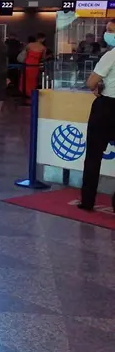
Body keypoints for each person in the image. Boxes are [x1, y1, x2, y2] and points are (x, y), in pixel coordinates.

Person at [79, 20, 115, 211]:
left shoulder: (111, 55)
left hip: (107, 107)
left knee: (93, 155)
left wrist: (97, 86)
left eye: (110, 30)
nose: (107, 34)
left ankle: (87, 200)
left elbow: (91, 82)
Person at [20, 33, 47, 99]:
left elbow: (24, 53)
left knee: (25, 78)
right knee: (33, 79)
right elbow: (43, 58)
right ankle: (31, 92)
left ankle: (24, 92)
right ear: (43, 39)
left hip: (27, 63)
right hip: (35, 64)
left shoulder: (30, 45)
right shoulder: (43, 48)